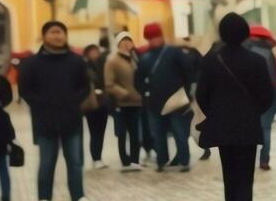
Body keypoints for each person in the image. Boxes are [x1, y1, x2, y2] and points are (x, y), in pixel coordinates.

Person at [195, 14, 276, 201]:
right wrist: (253, 111)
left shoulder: (211, 60)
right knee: (245, 176)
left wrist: (215, 112)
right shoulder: (256, 61)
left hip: (222, 126)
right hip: (247, 126)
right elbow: (268, 95)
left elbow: (201, 94)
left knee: (229, 174)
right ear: (244, 33)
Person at [18, 21, 93, 201]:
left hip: (71, 118)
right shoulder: (32, 63)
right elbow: (25, 89)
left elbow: (85, 86)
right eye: (53, 32)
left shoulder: (76, 61)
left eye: (61, 32)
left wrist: (73, 101)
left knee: (75, 161)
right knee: (46, 162)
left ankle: (78, 197)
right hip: (45, 120)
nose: (57, 36)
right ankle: (44, 198)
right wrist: (41, 104)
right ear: (44, 36)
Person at [136, 23, 195, 172]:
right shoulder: (145, 58)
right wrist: (146, 93)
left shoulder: (174, 52)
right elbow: (138, 80)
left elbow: (188, 72)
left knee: (179, 132)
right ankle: (161, 161)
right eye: (150, 38)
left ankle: (184, 161)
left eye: (155, 36)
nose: (153, 40)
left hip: (175, 100)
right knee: (158, 133)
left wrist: (186, 93)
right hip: (154, 102)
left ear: (161, 36)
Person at [104, 32, 143, 172]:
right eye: (124, 41)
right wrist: (123, 93)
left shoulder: (135, 58)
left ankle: (135, 160)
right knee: (122, 133)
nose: (127, 44)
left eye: (129, 41)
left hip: (136, 102)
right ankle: (124, 160)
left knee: (135, 133)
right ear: (118, 43)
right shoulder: (112, 60)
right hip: (121, 103)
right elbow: (109, 84)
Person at [243, 29, 276, 171]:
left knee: (248, 129)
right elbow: (274, 75)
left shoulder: (247, 51)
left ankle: (247, 159)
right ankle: (264, 160)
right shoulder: (271, 51)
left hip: (250, 96)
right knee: (266, 129)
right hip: (270, 94)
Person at [82, 44, 110, 169]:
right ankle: (96, 158)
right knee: (94, 131)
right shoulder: (84, 67)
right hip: (91, 103)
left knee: (101, 131)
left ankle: (99, 156)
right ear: (87, 54)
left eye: (96, 51)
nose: (95, 54)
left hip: (103, 102)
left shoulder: (103, 64)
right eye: (92, 52)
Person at [0, 71, 13, 201]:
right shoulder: (2, 81)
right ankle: (6, 199)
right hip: (1, 134)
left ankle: (6, 199)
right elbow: (8, 98)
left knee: (2, 166)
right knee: (3, 167)